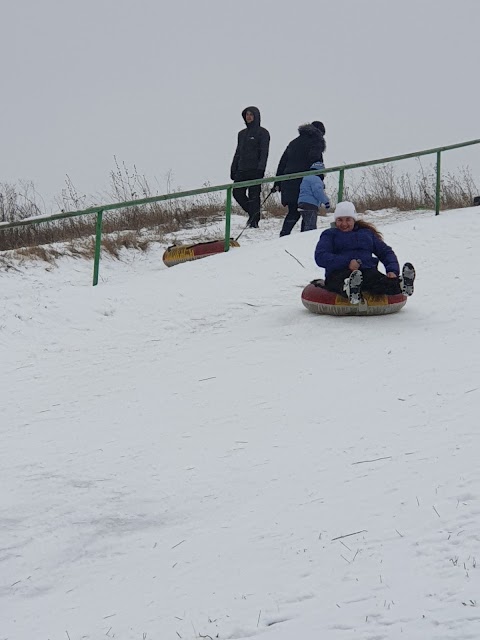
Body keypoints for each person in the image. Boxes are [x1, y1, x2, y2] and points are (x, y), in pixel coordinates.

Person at [314, 201, 416, 304]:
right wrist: (347, 262)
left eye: (348, 220)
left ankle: (402, 284)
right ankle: (350, 289)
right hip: (338, 272)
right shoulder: (330, 235)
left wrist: (392, 270)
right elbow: (320, 256)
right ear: (335, 220)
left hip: (366, 271)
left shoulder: (366, 234)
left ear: (353, 219)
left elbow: (385, 252)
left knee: (378, 281)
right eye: (340, 220)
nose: (344, 224)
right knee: (338, 281)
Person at [275, 121, 326, 236]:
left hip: (289, 182)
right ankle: (304, 238)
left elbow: (282, 162)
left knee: (293, 212)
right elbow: (317, 166)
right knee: (308, 212)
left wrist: (278, 181)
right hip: (305, 185)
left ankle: (283, 235)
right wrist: (319, 181)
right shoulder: (316, 142)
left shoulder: (293, 143)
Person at [230, 106, 270, 228]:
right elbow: (238, 152)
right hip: (242, 169)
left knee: (254, 195)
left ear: (256, 116)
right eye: (247, 114)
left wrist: (261, 169)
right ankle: (253, 214)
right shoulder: (241, 134)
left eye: (251, 114)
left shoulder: (263, 133)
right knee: (237, 192)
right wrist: (233, 168)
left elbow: (264, 152)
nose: (249, 117)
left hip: (255, 170)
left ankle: (254, 221)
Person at [297, 161, 331, 232]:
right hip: (311, 204)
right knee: (311, 226)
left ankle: (302, 237)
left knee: (306, 222)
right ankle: (308, 239)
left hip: (302, 202)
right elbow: (318, 192)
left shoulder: (306, 177)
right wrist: (326, 201)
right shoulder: (316, 179)